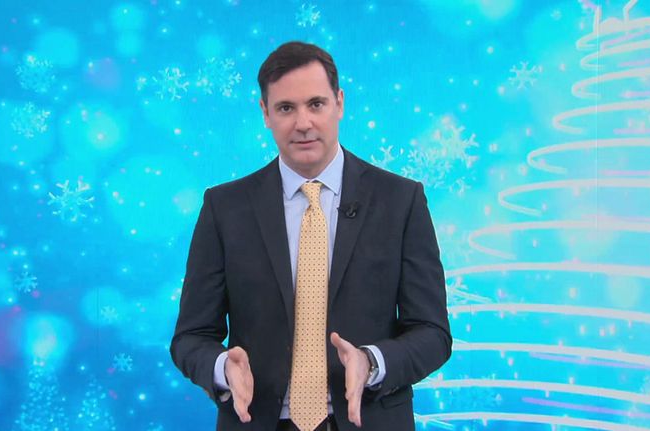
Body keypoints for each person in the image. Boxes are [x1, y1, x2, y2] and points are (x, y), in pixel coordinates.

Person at [171, 41, 452, 431]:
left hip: (368, 419)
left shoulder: (401, 201)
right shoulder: (225, 208)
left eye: (316, 104)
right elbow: (191, 337)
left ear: (339, 103)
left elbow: (433, 333)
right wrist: (222, 368)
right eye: (286, 108)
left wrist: (371, 362)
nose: (303, 123)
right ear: (265, 113)